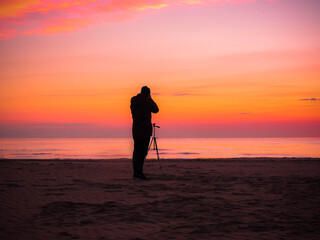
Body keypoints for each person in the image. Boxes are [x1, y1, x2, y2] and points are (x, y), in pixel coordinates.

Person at [130, 86, 159, 180]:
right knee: (142, 153)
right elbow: (156, 109)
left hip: (136, 130)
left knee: (136, 152)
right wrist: (150, 99)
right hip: (144, 130)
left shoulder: (133, 100)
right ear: (148, 93)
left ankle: (136, 172)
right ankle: (139, 173)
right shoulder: (146, 101)